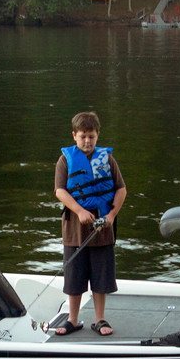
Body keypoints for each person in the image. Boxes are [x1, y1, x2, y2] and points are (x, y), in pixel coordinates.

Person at [52, 111, 127, 336]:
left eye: (91, 136)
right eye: (83, 136)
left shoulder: (108, 160)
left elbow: (121, 189)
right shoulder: (64, 160)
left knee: (101, 276)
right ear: (74, 135)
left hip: (102, 228)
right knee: (74, 275)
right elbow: (60, 191)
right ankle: (72, 319)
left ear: (97, 136)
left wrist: (111, 215)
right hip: (74, 229)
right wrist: (79, 211)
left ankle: (99, 319)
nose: (87, 141)